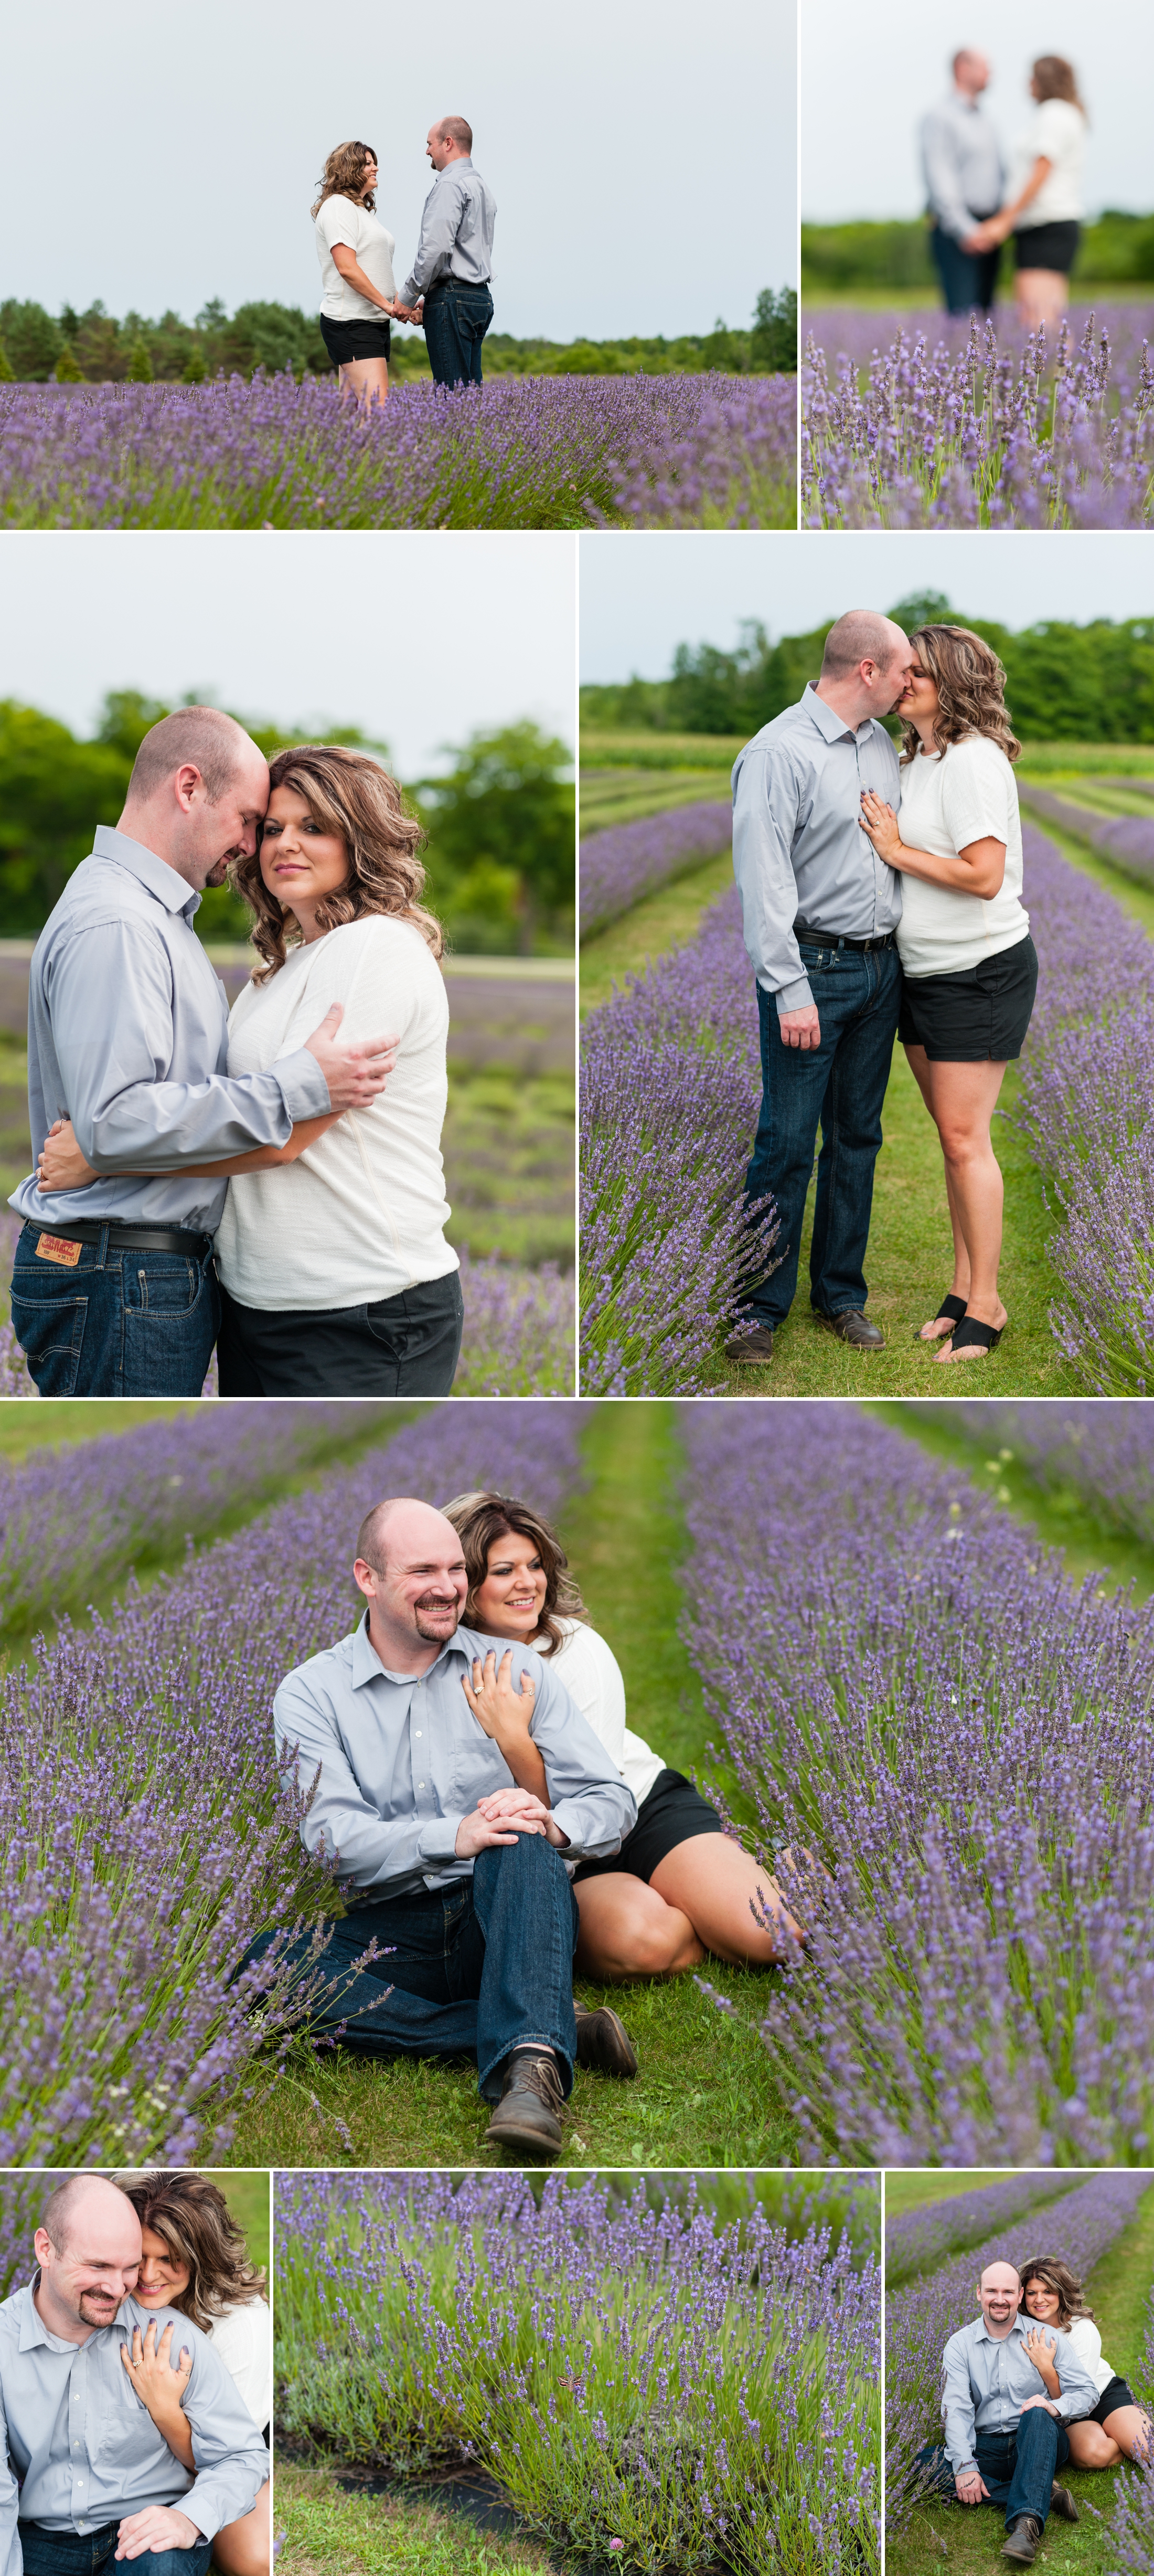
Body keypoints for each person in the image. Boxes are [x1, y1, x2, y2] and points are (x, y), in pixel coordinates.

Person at [38, 743, 462, 1398]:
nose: (284, 845)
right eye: (271, 828)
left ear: (360, 840)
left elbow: (281, 1137)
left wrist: (104, 1156)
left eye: (313, 827)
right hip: (260, 1302)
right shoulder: (283, 968)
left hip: (361, 1302)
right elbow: (235, 1101)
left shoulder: (375, 948)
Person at [243, 1497, 638, 2159]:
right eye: (424, 1569)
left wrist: (553, 1820)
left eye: (457, 1568)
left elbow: (609, 1797)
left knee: (521, 1840)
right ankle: (538, 2025)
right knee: (256, 1966)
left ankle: (534, 2076)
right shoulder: (312, 1694)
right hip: (396, 1929)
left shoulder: (517, 1669)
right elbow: (329, 1838)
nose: (449, 1586)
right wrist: (454, 1835)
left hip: (507, 1912)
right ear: (367, 1577)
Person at [441, 1488, 805, 1977]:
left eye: (535, 1565)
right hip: (553, 1859)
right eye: (505, 1571)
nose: (527, 1584)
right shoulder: (439, 1670)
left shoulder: (576, 1651)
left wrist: (513, 1740)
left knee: (772, 1936)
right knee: (642, 1943)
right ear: (464, 1584)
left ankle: (789, 1869)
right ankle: (704, 1912)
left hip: (632, 1812)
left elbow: (589, 1802)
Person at [726, 610, 914, 1366]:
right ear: (867, 670)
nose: (911, 682)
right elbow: (765, 883)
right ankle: (756, 1309)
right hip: (814, 969)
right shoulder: (778, 752)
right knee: (784, 1143)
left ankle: (841, 1295)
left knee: (857, 1139)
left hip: (880, 966)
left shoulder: (878, 745)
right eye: (903, 669)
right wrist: (789, 988)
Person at [858, 623, 1037, 1362]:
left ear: (954, 682)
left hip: (977, 972)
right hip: (923, 971)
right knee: (952, 1140)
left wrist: (898, 851)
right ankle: (963, 1288)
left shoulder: (972, 763)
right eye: (902, 670)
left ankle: (987, 1305)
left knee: (968, 1140)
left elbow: (984, 876)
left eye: (918, 672)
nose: (903, 680)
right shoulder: (920, 758)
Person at [0, 2174, 268, 2576]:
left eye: (128, 2266)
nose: (126, 2284)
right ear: (45, 2249)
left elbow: (241, 2455)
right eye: (99, 2265)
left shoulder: (188, 2333)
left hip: (151, 2525)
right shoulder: (6, 2341)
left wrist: (188, 2517)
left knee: (239, 2561)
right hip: (45, 2537)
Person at [119, 2174, 271, 2576]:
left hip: (225, 2449)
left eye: (170, 2259)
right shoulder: (112, 2290)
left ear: (201, 2254)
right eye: (139, 2257)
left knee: (253, 2560)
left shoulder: (242, 2324)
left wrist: (164, 2407)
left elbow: (225, 2459)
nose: (148, 2277)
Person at [916, 2259, 1098, 2564]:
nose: (999, 2299)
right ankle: (1041, 2493)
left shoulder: (1045, 2336)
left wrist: (1052, 2405)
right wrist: (965, 2466)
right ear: (978, 2294)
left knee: (1037, 2414)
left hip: (1039, 2439)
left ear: (1019, 2295)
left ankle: (1026, 2526)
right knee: (920, 2464)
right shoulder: (960, 2345)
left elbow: (1087, 2392)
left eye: (1008, 2292)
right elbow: (958, 2410)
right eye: (991, 2291)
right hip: (988, 2445)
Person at [968, 60, 1086, 332]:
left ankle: (1051, 376)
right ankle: (1060, 375)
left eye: (1031, 78)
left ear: (1042, 81)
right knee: (1049, 319)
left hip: (1046, 226)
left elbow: (1041, 171)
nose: (1027, 84)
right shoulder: (1064, 114)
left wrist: (1005, 220)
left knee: (1038, 322)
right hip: (1050, 225)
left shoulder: (1053, 114)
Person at [1019, 2259, 1152, 2471]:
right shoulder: (1021, 2330)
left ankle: (1122, 2428)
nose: (1039, 2300)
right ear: (1022, 2295)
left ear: (1061, 2293)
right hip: (1063, 2412)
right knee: (1095, 2455)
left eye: (1048, 2292)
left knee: (1146, 2449)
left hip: (1100, 2394)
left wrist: (1045, 2368)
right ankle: (1116, 2437)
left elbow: (1079, 2394)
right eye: (1032, 2293)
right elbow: (1062, 2404)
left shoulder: (1081, 2329)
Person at [396, 118, 496, 387]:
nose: (427, 151)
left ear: (448, 143)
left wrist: (407, 296)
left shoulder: (450, 185)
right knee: (470, 398)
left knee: (452, 401)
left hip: (453, 301)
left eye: (430, 144)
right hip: (479, 298)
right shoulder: (482, 186)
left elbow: (436, 249)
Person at [313, 141, 401, 406]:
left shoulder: (361, 210)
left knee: (352, 416)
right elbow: (347, 268)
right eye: (368, 163)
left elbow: (376, 270)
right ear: (350, 169)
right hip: (352, 323)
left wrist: (400, 303)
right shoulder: (339, 206)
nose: (376, 168)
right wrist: (388, 306)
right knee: (377, 413)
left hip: (372, 322)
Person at [920, 50, 1005, 314]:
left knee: (988, 318)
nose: (990, 73)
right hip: (958, 231)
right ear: (962, 69)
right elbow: (939, 176)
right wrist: (965, 229)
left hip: (989, 227)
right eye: (984, 67)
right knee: (963, 318)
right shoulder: (940, 116)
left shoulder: (985, 117)